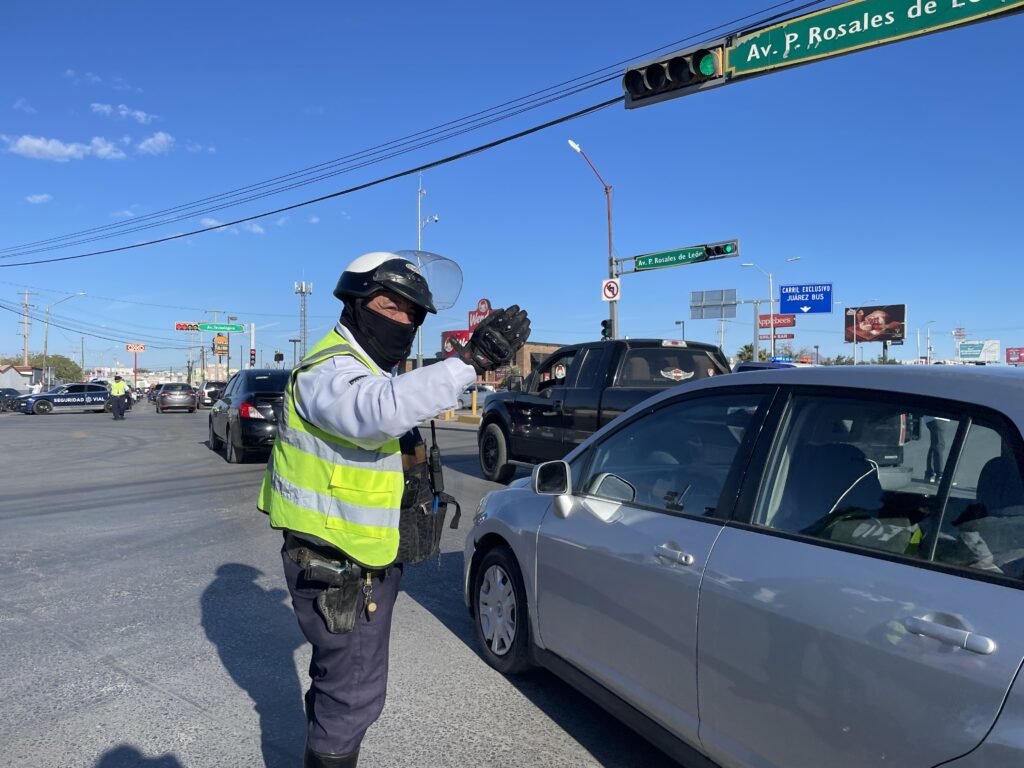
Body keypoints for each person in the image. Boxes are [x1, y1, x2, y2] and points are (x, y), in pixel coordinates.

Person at [258, 251, 530, 768]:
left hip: (353, 562)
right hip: (339, 570)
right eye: (391, 306)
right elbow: (377, 412)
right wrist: (468, 362)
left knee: (338, 687)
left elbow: (389, 407)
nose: (404, 321)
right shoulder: (329, 371)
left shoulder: (366, 369)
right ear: (357, 305)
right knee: (352, 699)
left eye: (414, 313)